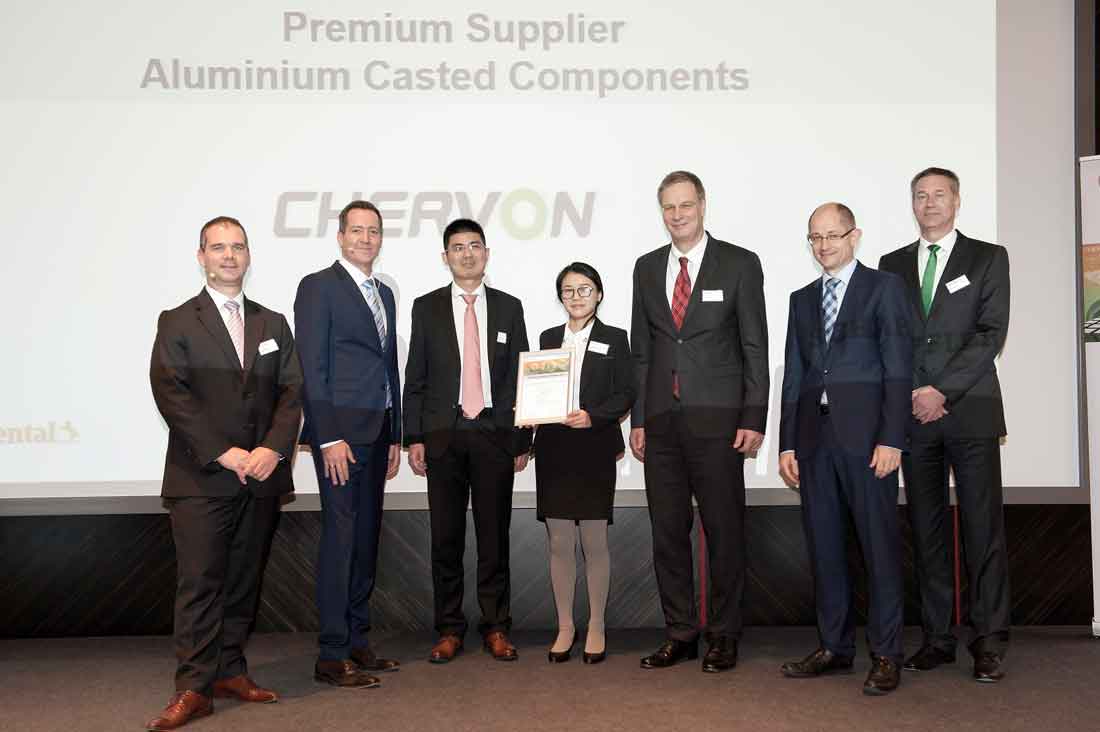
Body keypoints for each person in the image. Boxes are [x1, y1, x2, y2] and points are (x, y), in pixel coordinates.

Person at [148, 216, 302, 730]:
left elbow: (292, 393)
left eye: (237, 247)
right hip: (201, 478)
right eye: (218, 248)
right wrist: (225, 453)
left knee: (242, 581)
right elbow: (171, 394)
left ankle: (230, 671)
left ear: (248, 255)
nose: (229, 256)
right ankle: (194, 686)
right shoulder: (177, 321)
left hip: (261, 476)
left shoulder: (273, 323)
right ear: (202, 257)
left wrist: (272, 450)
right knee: (200, 584)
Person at [629, 171, 769, 673]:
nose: (678, 215)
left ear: (703, 205)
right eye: (669, 207)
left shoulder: (740, 263)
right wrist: (639, 418)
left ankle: (724, 635)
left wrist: (754, 415)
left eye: (685, 205)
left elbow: (755, 345)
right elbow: (642, 350)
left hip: (720, 422)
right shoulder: (646, 268)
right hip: (661, 423)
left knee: (724, 532)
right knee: (668, 533)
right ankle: (681, 633)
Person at [879, 167, 1012, 683]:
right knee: (927, 530)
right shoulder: (891, 265)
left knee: (982, 529)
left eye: (939, 194)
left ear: (957, 201)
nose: (930, 203)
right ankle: (937, 638)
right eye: (921, 195)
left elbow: (990, 334)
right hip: (914, 417)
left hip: (970, 411)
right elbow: (889, 336)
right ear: (912, 204)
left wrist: (941, 391)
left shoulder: (987, 257)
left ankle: (989, 639)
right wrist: (916, 393)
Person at [777, 203, 912, 695]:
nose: (824, 245)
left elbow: (898, 366)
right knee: (825, 548)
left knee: (879, 549)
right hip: (815, 442)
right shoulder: (801, 299)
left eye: (833, 235)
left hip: (869, 441)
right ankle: (834, 647)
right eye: (815, 237)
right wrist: (788, 443)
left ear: (854, 236)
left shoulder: (884, 288)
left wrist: (892, 437)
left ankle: (887, 653)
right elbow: (795, 375)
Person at [402, 218, 533, 663]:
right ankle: (449, 628)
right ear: (446, 257)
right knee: (446, 539)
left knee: (494, 537)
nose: (467, 254)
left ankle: (496, 626)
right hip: (444, 435)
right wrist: (414, 438)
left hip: (495, 435)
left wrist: (522, 439)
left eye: (475, 245)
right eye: (458, 247)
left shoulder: (510, 307)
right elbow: (415, 377)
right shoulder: (426, 307)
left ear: (487, 253)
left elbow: (521, 378)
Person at [294, 200, 403, 689]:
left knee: (365, 540)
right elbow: (311, 368)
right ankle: (331, 653)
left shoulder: (385, 293)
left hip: (378, 433)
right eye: (356, 230)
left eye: (373, 231)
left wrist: (396, 432)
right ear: (340, 236)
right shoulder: (318, 287)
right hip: (340, 437)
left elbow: (388, 365)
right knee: (341, 541)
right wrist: (328, 435)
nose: (365, 238)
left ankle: (359, 641)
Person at [534, 262, 636, 664]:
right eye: (569, 290)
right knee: (559, 542)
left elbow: (626, 392)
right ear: (561, 297)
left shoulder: (615, 338)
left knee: (594, 542)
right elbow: (536, 389)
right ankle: (565, 627)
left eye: (584, 289)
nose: (576, 297)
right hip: (555, 447)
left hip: (594, 445)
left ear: (599, 294)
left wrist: (594, 415)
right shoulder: (547, 337)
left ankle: (596, 624)